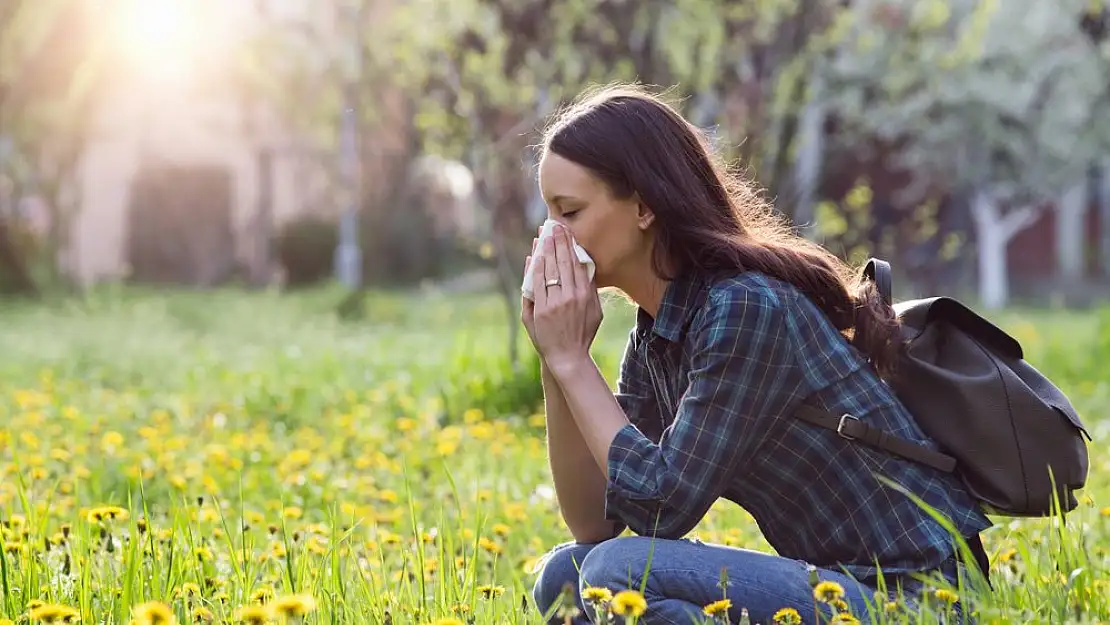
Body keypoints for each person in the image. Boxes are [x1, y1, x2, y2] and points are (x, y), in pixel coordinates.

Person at [520, 84, 992, 625]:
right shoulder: (658, 333)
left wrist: (575, 364)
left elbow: (663, 506)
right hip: (838, 588)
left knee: (614, 574)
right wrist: (556, 363)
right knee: (566, 575)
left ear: (644, 205)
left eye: (570, 211)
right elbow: (594, 524)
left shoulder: (743, 306)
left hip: (923, 602)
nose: (552, 235)